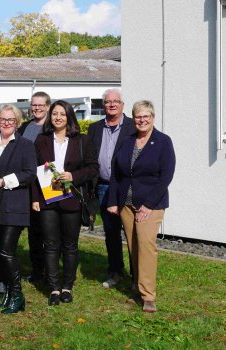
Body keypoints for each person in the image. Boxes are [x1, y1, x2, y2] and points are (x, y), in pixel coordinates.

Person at [107, 100, 175, 313]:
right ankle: (137, 285)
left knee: (146, 247)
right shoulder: (127, 142)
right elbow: (116, 172)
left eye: (146, 116)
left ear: (153, 118)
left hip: (151, 205)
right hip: (126, 203)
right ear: (133, 118)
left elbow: (166, 176)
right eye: (138, 116)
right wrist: (113, 201)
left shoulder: (163, 142)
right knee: (133, 246)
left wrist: (148, 205)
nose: (142, 120)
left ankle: (148, 296)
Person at [33, 100, 98, 306]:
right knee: (51, 245)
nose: (58, 117)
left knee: (70, 246)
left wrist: (74, 175)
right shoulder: (41, 140)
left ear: (69, 117)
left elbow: (93, 168)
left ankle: (67, 286)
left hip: (72, 199)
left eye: (62, 114)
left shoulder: (82, 140)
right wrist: (34, 198)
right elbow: (33, 171)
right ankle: (53, 288)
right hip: (47, 200)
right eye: (54, 114)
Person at [0, 104, 37, 314]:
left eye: (10, 120)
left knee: (6, 251)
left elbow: (30, 173)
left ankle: (17, 295)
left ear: (17, 123)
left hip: (14, 205)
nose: (5, 123)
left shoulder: (25, 144)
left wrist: (3, 181)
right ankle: (8, 296)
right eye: (2, 119)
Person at [88, 88, 137, 289]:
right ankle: (115, 271)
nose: (112, 104)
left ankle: (137, 276)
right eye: (108, 101)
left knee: (133, 233)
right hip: (103, 187)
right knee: (111, 233)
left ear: (122, 105)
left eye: (116, 101)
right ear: (103, 105)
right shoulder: (94, 128)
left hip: (127, 188)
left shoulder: (132, 127)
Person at [18, 91, 51, 282]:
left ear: (48, 106)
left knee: (50, 230)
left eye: (41, 105)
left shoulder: (52, 126)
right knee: (34, 230)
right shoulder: (25, 127)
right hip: (29, 184)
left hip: (47, 182)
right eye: (34, 105)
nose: (37, 108)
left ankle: (50, 269)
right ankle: (37, 269)